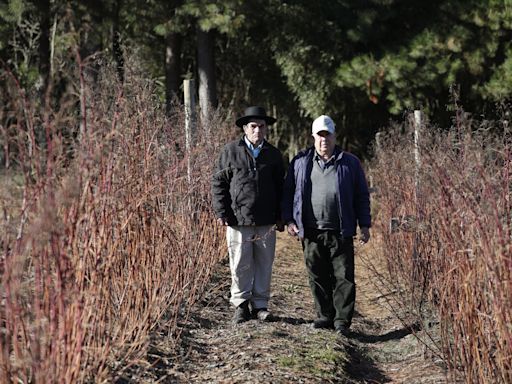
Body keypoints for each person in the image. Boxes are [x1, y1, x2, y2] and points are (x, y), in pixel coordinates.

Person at [282, 115, 371, 336]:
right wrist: (289, 220)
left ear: (334, 136)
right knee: (317, 275)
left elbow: (361, 196)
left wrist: (365, 224)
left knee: (344, 277)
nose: (324, 140)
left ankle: (342, 321)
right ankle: (324, 315)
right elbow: (288, 193)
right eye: (320, 136)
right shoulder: (301, 161)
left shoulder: (350, 162)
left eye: (327, 135)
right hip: (310, 229)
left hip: (341, 229)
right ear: (313, 137)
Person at [212, 106, 285, 324]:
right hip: (238, 219)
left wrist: (281, 215)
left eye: (262, 126)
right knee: (240, 263)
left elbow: (281, 187)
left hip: (266, 220)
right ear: (245, 128)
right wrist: (221, 211)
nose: (258, 130)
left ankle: (260, 306)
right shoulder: (230, 152)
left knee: (264, 263)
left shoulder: (273, 155)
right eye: (253, 126)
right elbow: (219, 183)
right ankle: (241, 305)